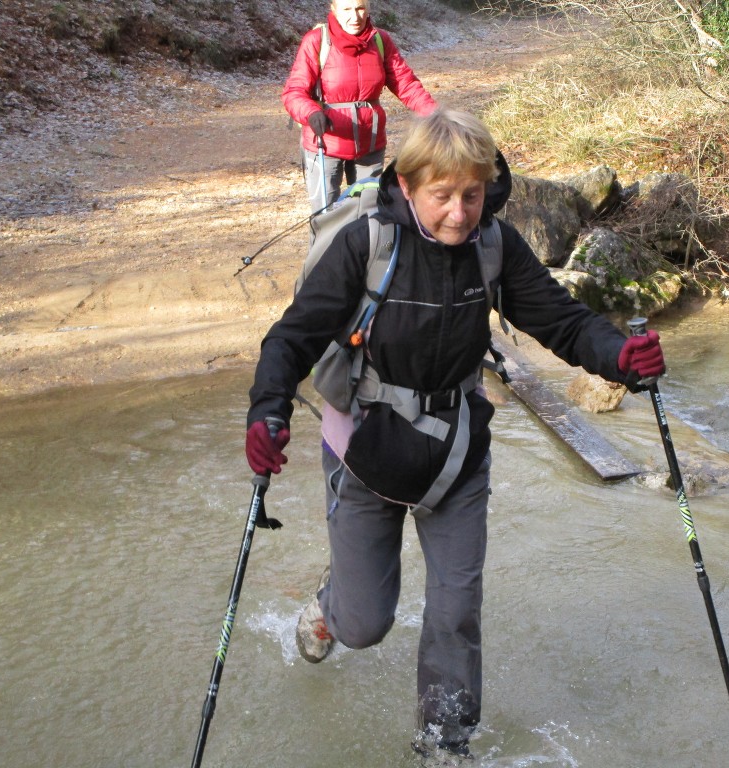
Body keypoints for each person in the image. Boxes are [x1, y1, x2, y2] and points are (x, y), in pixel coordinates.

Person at [245, 109, 666, 759]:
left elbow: (564, 322)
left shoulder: (494, 245)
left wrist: (619, 357)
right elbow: (293, 337)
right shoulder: (367, 243)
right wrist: (267, 412)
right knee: (364, 624)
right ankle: (333, 603)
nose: (458, 213)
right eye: (442, 195)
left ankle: (445, 741)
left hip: (455, 450)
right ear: (409, 185)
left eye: (472, 194)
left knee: (456, 606)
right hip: (363, 448)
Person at [281, 0, 438, 214]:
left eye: (360, 8)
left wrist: (435, 114)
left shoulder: (380, 41)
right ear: (334, 9)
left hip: (369, 143)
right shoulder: (316, 41)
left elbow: (406, 84)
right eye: (347, 9)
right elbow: (294, 92)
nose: (355, 17)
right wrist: (311, 112)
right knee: (326, 218)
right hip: (325, 142)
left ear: (369, 8)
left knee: (372, 215)